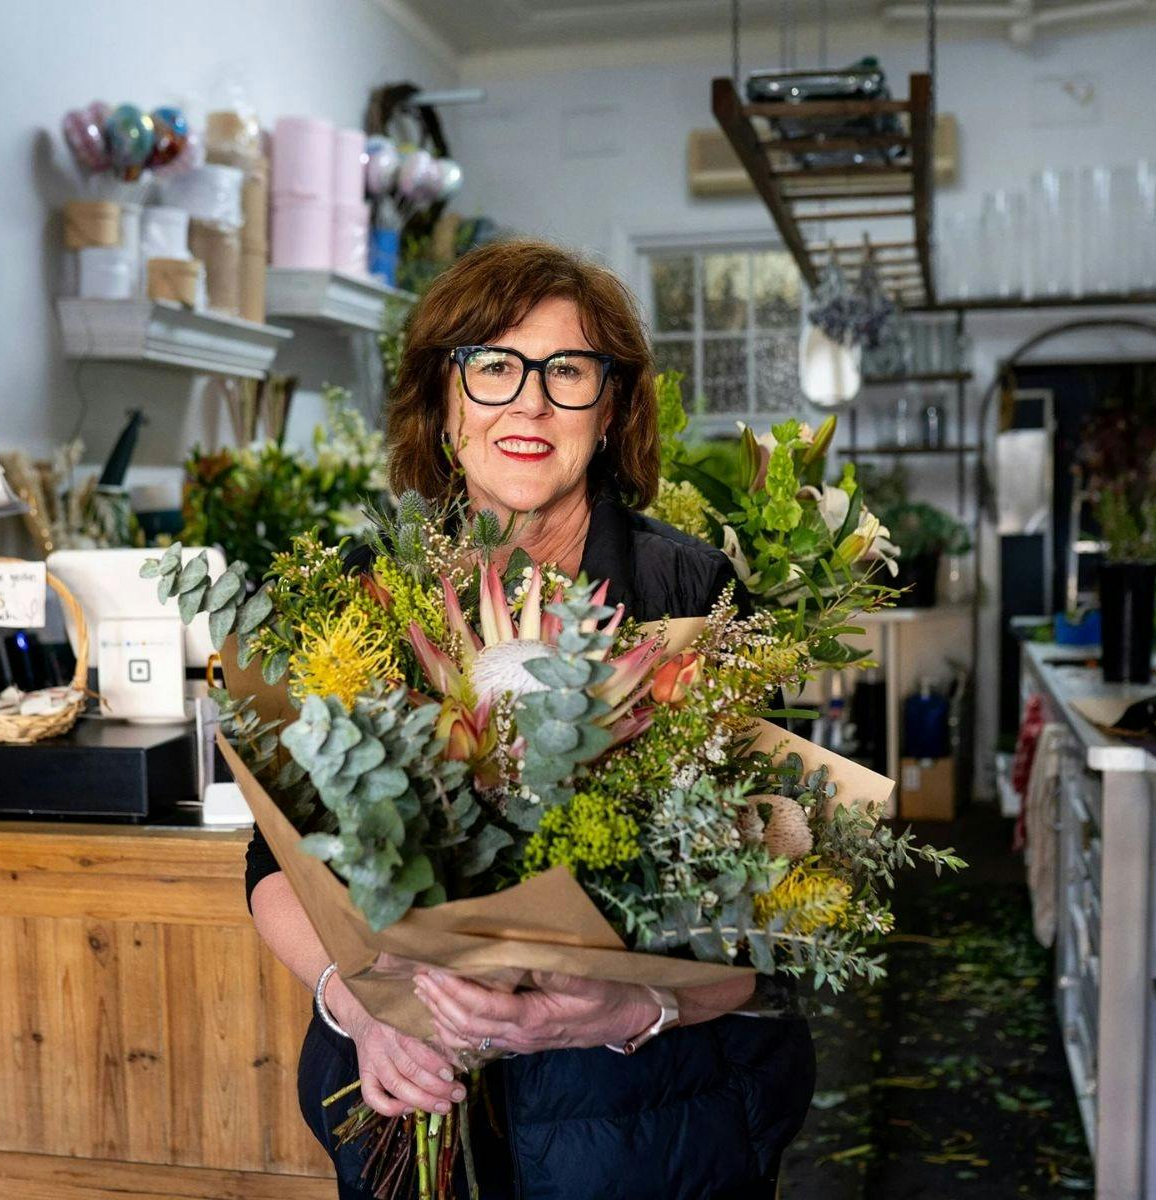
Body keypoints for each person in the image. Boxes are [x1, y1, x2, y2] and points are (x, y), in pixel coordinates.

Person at [244, 239, 814, 1199]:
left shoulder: (692, 597)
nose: (530, 403)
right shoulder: (358, 596)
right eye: (494, 366)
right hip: (413, 1113)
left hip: (644, 1138)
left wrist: (620, 1010)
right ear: (443, 399)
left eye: (569, 371)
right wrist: (361, 1008)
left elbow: (778, 917)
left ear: (614, 405)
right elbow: (274, 865)